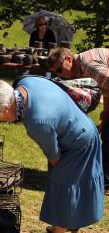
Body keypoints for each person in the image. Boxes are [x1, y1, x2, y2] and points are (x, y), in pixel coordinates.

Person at [0, 77, 104, 233]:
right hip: (78, 128)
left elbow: (54, 156)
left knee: (63, 190)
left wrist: (61, 176)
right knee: (60, 185)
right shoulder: (25, 83)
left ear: (4, 110)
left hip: (80, 143)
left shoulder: (37, 122)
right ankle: (64, 224)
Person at [47, 47, 109, 193]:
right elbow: (106, 89)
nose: (60, 75)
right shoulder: (82, 68)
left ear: (68, 59)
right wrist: (106, 114)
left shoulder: (90, 67)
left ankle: (105, 184)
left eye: (60, 70)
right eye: (56, 73)